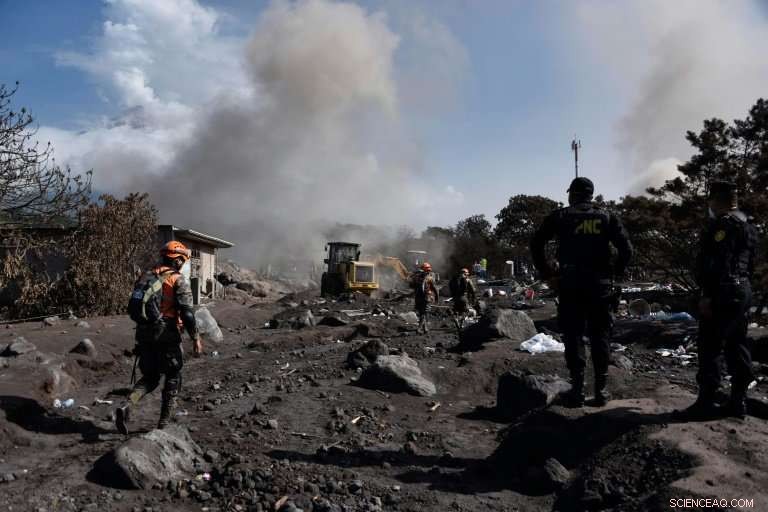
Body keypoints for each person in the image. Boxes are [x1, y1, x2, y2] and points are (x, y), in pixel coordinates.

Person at [530, 177, 633, 407]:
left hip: (571, 284)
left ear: (573, 194)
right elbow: (627, 250)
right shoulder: (607, 216)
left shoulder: (561, 216)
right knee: (600, 336)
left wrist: (548, 274)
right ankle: (601, 391)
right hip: (600, 286)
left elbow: (536, 244)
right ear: (591, 194)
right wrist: (613, 275)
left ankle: (577, 391)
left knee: (574, 336)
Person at [677, 180, 757, 420]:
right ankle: (738, 401)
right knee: (738, 342)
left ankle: (706, 403)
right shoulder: (749, 226)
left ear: (717, 200)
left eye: (711, 200)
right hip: (742, 289)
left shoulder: (722, 225)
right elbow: (750, 263)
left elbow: (716, 264)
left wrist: (707, 296)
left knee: (710, 345)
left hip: (722, 290)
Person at [116, 240, 203, 434]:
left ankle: (127, 404)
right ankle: (164, 423)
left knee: (150, 376)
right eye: (183, 260)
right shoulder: (177, 279)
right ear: (178, 260)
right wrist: (195, 337)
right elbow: (187, 313)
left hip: (144, 332)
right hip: (166, 333)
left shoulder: (146, 276)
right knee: (173, 374)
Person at [412, 262, 438, 334]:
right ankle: (419, 328)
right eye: (429, 270)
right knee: (424, 313)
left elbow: (412, 285)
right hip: (426, 298)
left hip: (418, 298)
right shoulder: (429, 278)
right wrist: (437, 298)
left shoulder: (416, 277)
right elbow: (435, 288)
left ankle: (425, 328)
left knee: (422, 313)